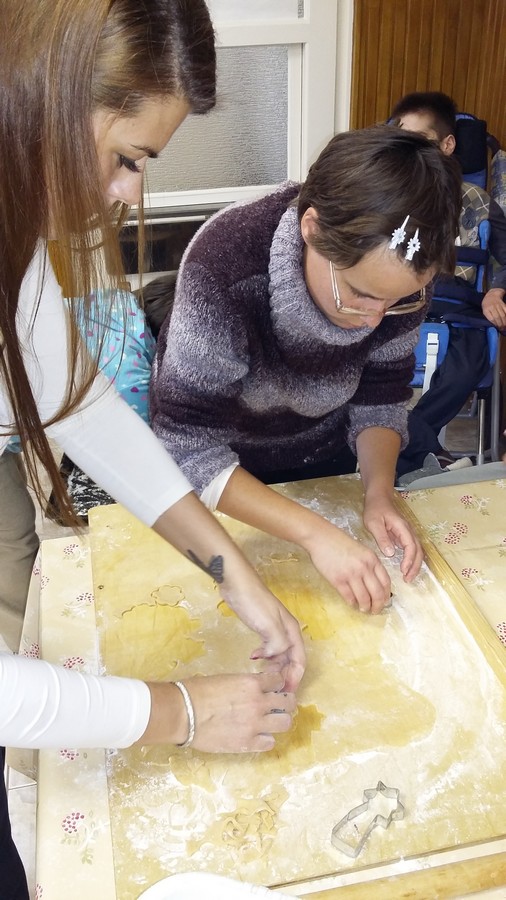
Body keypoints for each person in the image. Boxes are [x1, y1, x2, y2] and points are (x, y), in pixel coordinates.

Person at [0, 2, 304, 895]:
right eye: (128, 158)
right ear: (42, 98)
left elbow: (79, 406)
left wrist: (229, 569)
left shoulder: (15, 234)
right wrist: (175, 711)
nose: (131, 193)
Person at [149, 125, 463, 617]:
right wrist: (315, 533)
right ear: (311, 229)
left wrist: (378, 492)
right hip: (226, 477)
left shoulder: (402, 276)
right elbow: (188, 447)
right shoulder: (223, 264)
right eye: (359, 294)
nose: (375, 320)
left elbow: (381, 397)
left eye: (398, 300)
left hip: (322, 452)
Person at [389, 92, 506, 479]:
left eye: (420, 140)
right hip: (399, 304)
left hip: (460, 309)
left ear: (447, 144)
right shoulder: (387, 195)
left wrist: (496, 290)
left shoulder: (478, 201)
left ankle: (405, 447)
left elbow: (504, 255)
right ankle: (425, 452)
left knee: (468, 365)